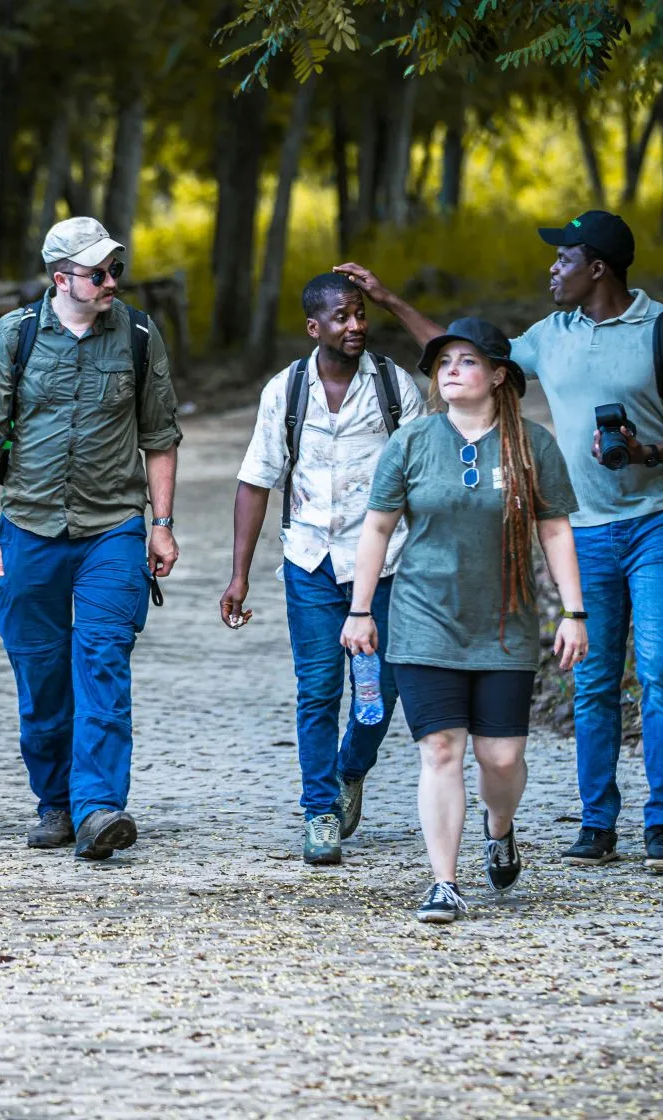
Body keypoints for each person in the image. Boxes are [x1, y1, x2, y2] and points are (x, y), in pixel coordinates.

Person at [337, 209, 663, 875]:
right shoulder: (552, 336)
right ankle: (597, 822)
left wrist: (652, 450)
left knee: (661, 669)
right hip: (585, 532)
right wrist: (390, 300)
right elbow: (466, 354)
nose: (553, 269)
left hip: (656, 523)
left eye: (564, 258)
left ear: (597, 267)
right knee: (595, 679)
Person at [341, 318, 587, 923]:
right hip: (425, 620)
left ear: (499, 375)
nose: (451, 369)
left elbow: (554, 528)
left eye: (467, 361)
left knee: (501, 758)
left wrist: (574, 612)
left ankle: (498, 827)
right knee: (442, 751)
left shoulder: (533, 445)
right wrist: (361, 609)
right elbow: (376, 527)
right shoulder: (412, 442)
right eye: (443, 361)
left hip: (505, 623)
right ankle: (444, 882)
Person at [0, 216, 182, 861]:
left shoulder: (139, 335)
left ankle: (98, 808)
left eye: (117, 270)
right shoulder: (16, 335)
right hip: (27, 525)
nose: (113, 281)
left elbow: (160, 436)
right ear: (63, 279)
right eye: (99, 273)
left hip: (113, 528)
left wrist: (161, 525)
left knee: (104, 659)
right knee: (41, 673)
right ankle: (54, 802)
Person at [220, 272, 426, 866]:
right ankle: (320, 813)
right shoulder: (285, 391)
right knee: (317, 691)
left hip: (383, 564)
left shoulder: (394, 387)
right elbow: (256, 481)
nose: (355, 325)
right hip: (309, 561)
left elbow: (422, 473)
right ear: (316, 328)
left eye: (360, 313)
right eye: (341, 317)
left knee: (377, 697)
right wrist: (240, 575)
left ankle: (350, 769)